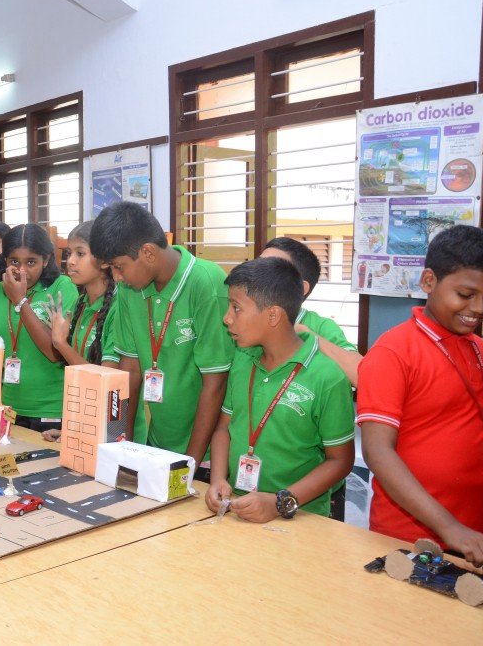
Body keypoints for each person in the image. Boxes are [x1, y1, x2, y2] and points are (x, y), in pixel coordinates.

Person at [358, 224, 483, 570]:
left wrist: (464, 531)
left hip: (475, 538)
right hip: (409, 538)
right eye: (466, 294)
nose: (478, 308)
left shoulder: (481, 351)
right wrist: (450, 528)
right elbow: (377, 451)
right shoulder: (393, 351)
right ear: (429, 281)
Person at [205, 258, 355, 521]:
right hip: (239, 507)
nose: (226, 318)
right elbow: (223, 429)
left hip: (300, 515)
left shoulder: (327, 376)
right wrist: (218, 478)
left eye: (236, 308)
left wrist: (279, 502)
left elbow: (340, 461)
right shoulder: (243, 360)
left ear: (273, 315)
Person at [90, 202, 235, 471]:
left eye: (119, 266)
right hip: (157, 444)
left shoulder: (205, 282)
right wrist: (124, 447)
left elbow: (216, 382)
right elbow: (131, 370)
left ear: (148, 252)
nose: (116, 277)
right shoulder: (129, 291)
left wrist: (188, 465)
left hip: (204, 454)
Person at [0, 223, 78, 432]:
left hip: (52, 411)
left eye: (31, 262)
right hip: (9, 407)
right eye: (14, 262)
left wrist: (20, 301)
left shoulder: (62, 287)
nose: (22, 270)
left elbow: (54, 352)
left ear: (46, 260)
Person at [43, 221, 120, 441]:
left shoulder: (118, 307)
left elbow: (104, 381)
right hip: (85, 424)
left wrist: (61, 344)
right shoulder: (80, 303)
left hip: (114, 430)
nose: (70, 261)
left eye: (80, 253)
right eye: (69, 253)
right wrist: (70, 430)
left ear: (104, 261)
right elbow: (80, 379)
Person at [261, 237, 361, 384]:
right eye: (257, 265)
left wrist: (306, 335)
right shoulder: (238, 320)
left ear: (300, 288)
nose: (257, 274)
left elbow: (362, 376)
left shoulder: (321, 328)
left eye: (272, 269)